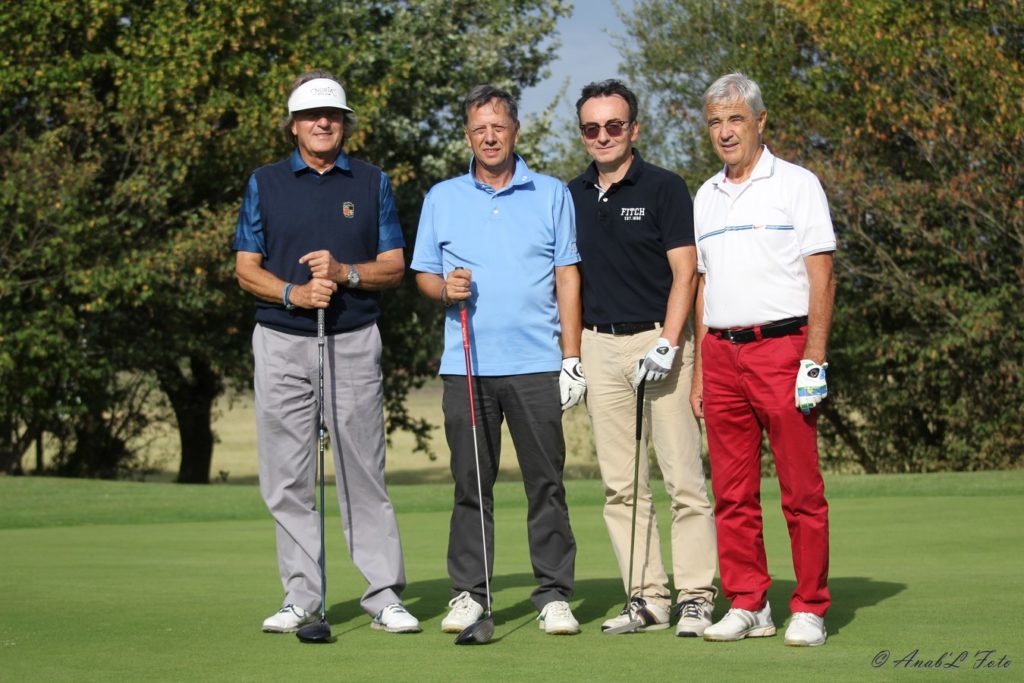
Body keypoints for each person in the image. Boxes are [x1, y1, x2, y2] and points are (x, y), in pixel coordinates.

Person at [233, 69, 420, 635]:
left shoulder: (371, 182)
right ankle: (302, 597)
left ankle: (383, 596)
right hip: (281, 341)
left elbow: (394, 265)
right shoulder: (264, 182)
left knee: (363, 471)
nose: (322, 123)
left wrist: (344, 273)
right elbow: (246, 269)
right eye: (312, 116)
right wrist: (294, 293)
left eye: (333, 115)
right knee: (288, 476)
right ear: (293, 125)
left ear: (344, 123)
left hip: (353, 340)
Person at [410, 85, 583, 636]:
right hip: (466, 366)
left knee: (545, 483)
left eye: (499, 127)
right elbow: (424, 274)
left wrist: (571, 357)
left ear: (515, 131)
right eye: (479, 129)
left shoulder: (552, 193)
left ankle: (553, 594)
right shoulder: (442, 197)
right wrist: (445, 289)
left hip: (535, 363)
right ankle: (469, 593)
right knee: (471, 484)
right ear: (468, 136)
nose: (489, 137)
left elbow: (567, 276)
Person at [567, 79, 718, 637]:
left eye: (613, 125)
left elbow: (686, 272)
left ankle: (696, 596)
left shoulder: (664, 187)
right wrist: (571, 354)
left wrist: (670, 341)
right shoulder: (571, 195)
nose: (603, 136)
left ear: (633, 129)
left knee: (684, 482)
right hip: (599, 346)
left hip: (659, 341)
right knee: (622, 485)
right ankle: (648, 597)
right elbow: (567, 279)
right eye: (591, 128)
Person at [691, 72, 835, 647]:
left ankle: (810, 605)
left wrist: (814, 360)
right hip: (720, 353)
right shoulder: (705, 195)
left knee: (800, 490)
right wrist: (700, 371)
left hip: (783, 349)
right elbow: (704, 285)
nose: (725, 132)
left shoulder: (797, 184)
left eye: (736, 119)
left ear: (760, 121)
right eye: (715, 122)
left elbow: (822, 276)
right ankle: (749, 601)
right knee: (731, 492)